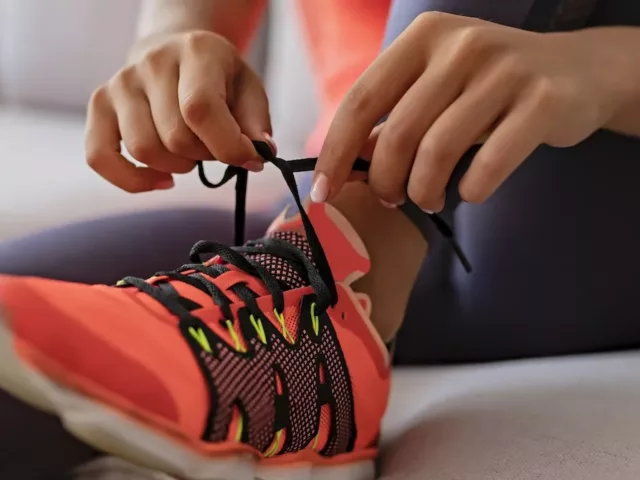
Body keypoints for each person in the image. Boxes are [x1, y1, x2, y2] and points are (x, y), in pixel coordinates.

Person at [0, 0, 638, 478]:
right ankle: (319, 295)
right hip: (324, 214)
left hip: (575, 214)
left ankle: (325, 310)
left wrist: (611, 65)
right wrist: (175, 39)